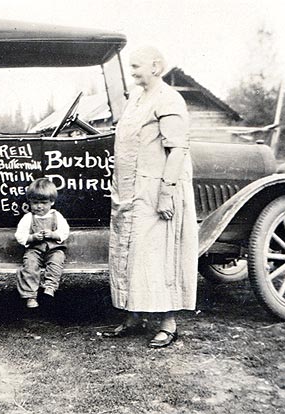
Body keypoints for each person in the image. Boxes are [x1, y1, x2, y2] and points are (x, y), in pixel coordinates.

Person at [105, 46, 198, 348]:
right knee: (132, 254)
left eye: (136, 66)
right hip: (129, 191)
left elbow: (177, 150)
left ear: (156, 66)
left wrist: (166, 193)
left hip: (155, 189)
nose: (131, 71)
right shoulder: (136, 98)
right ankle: (133, 316)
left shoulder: (169, 99)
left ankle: (168, 322)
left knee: (158, 255)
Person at [15, 178, 70, 308]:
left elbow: (65, 231)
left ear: (52, 202)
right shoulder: (28, 218)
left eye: (43, 203)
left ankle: (49, 288)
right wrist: (32, 237)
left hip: (54, 249)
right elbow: (20, 236)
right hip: (35, 250)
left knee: (56, 262)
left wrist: (54, 235)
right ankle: (30, 295)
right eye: (35, 203)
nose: (39, 206)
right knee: (29, 265)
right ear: (30, 202)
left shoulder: (57, 216)